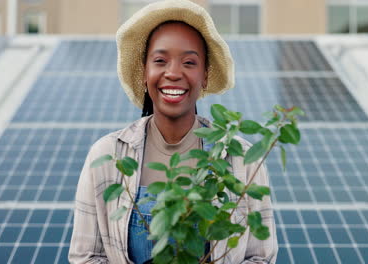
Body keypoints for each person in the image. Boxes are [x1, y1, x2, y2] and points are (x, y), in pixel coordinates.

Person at [68, 0, 278, 263]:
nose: (174, 73)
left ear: (205, 75)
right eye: (160, 60)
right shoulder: (108, 155)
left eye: (189, 62)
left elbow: (261, 258)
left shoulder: (243, 158)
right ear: (145, 72)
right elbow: (85, 257)